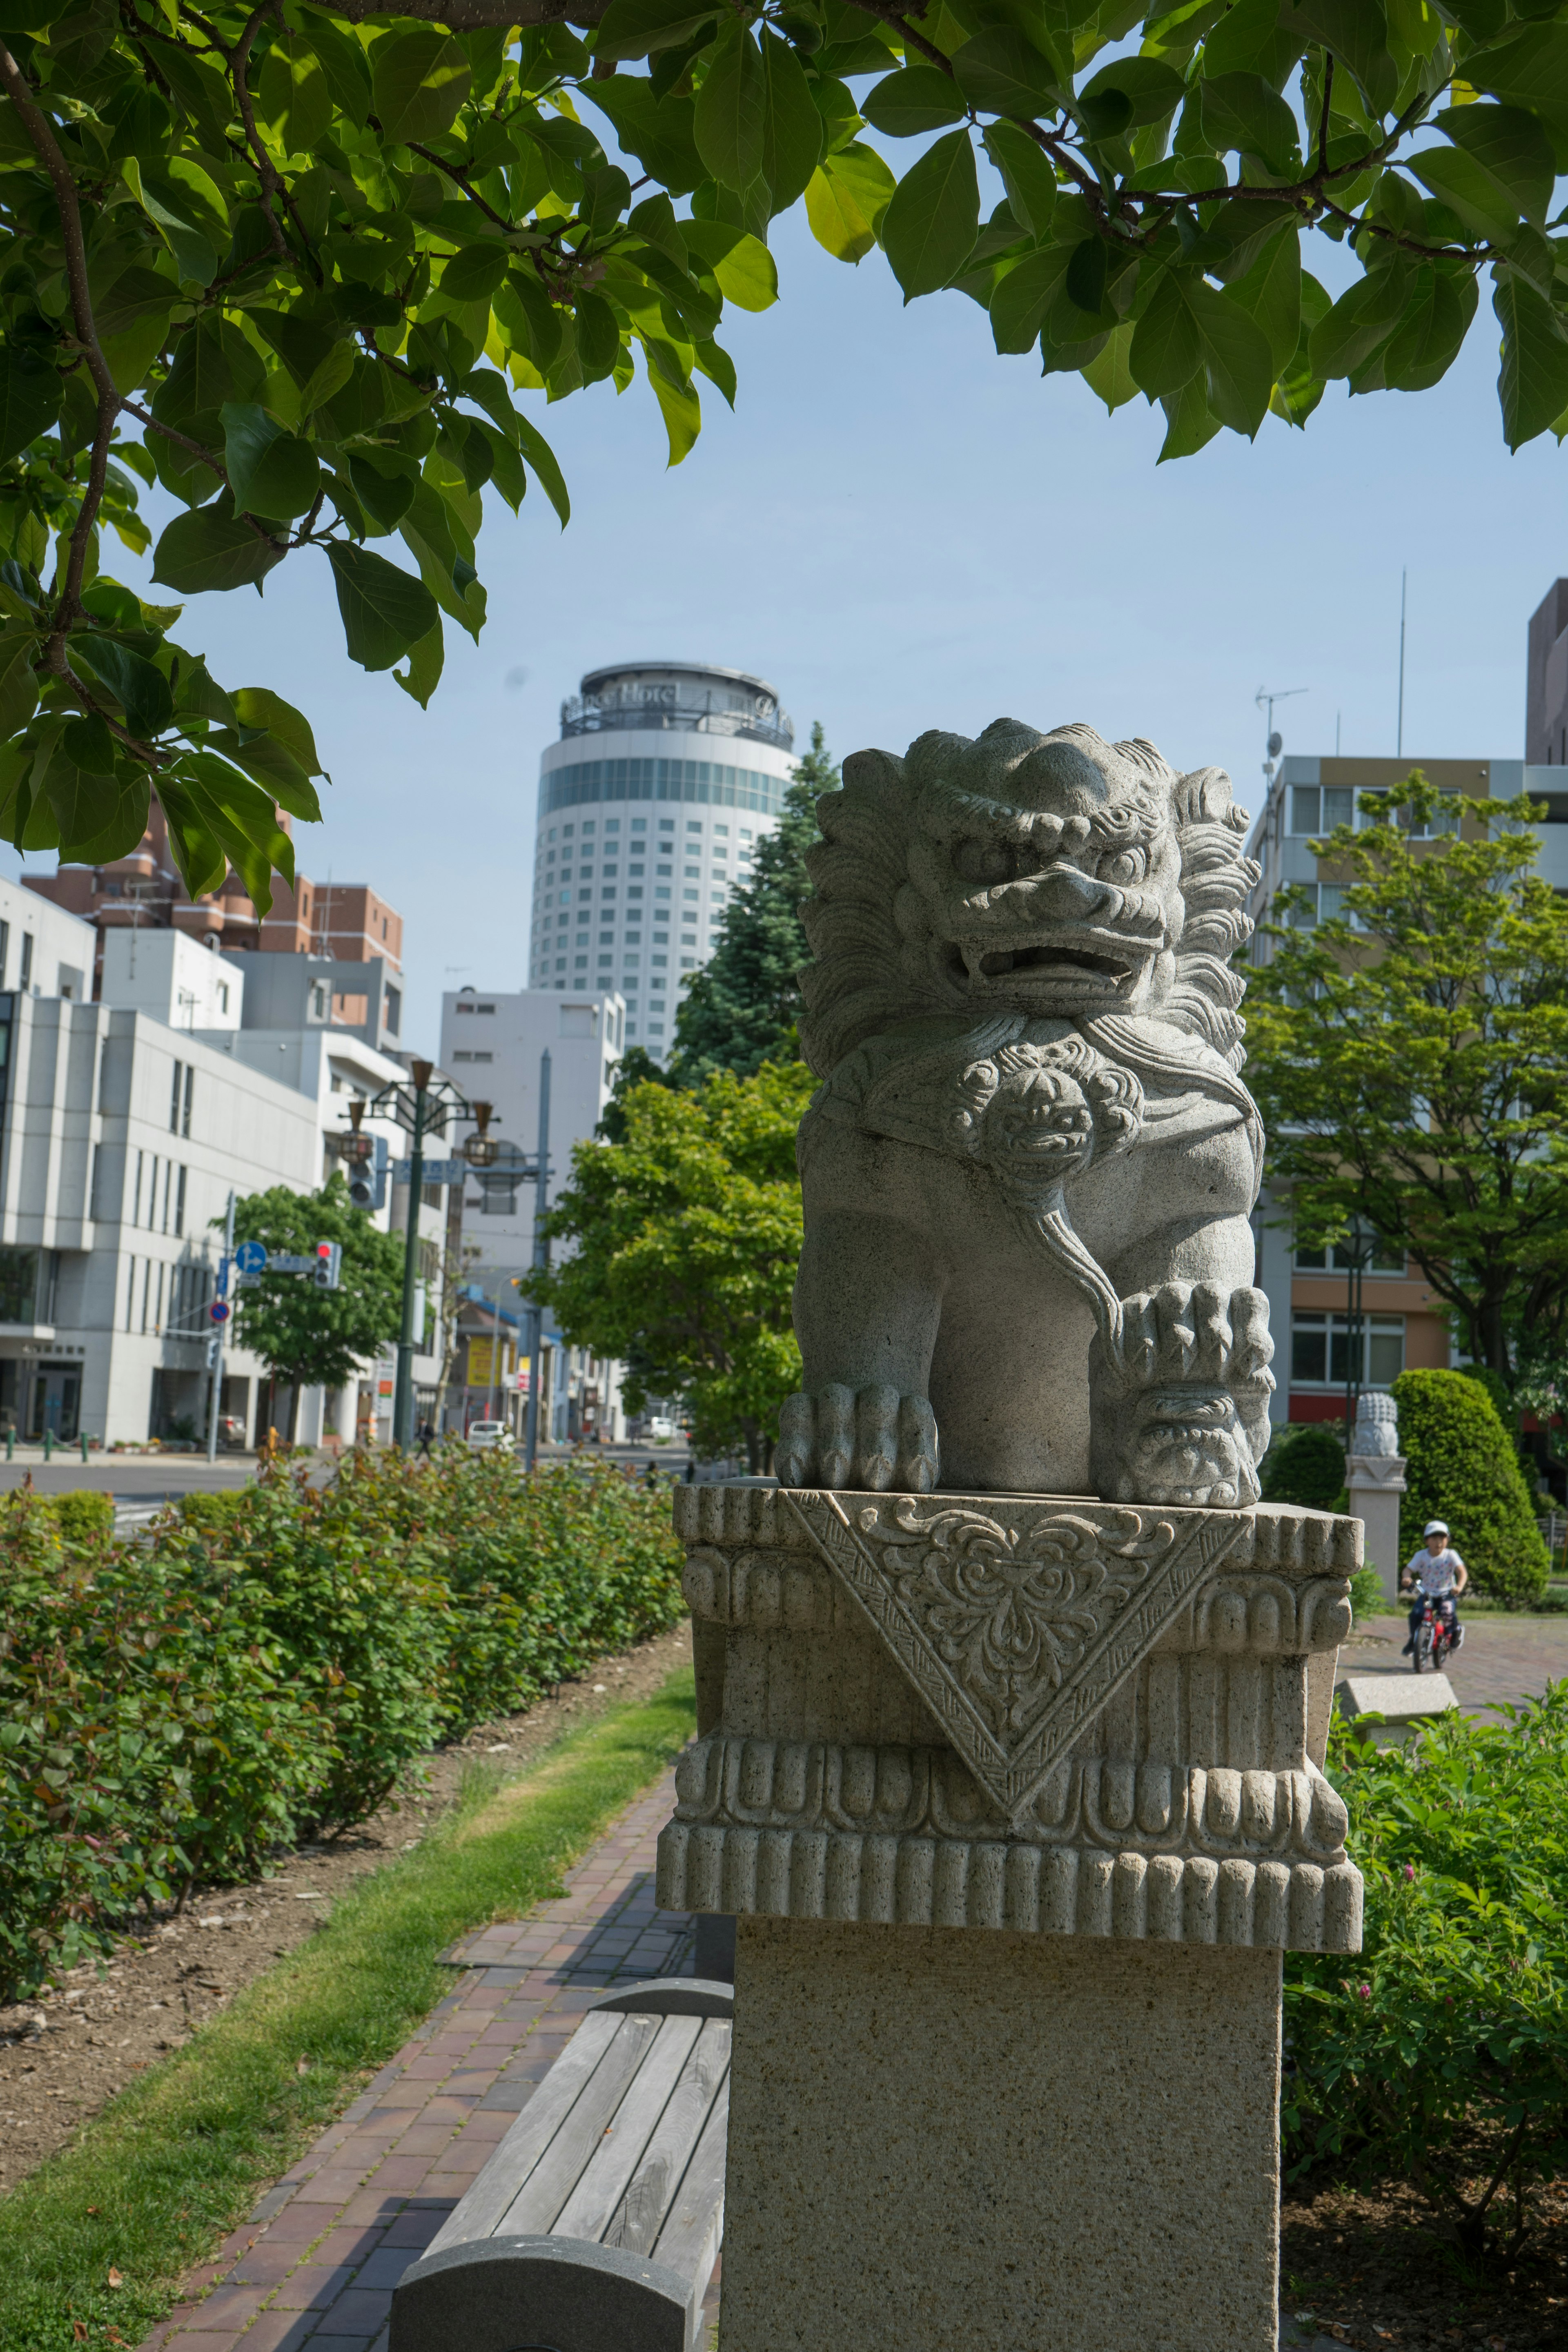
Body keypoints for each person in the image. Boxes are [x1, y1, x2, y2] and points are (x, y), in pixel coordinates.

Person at [1400, 1519, 1467, 1655]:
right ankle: (1414, 1640)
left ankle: (1455, 1632)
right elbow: (1408, 1570)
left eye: (1442, 1538)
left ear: (1447, 1540)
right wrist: (1406, 1578)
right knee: (1416, 1614)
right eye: (1435, 1538)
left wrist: (1459, 1586)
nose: (1439, 1542)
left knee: (1447, 1612)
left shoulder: (1450, 1555)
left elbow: (1462, 1572)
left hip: (1447, 1593)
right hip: (1427, 1593)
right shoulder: (1421, 1556)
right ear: (1427, 1541)